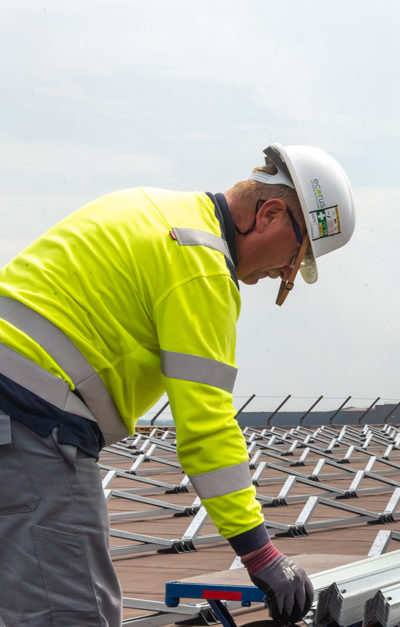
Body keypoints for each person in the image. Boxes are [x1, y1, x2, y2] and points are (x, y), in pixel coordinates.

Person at [0, 143, 355, 626]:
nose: (285, 273)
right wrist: (261, 555)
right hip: (32, 425)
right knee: (72, 612)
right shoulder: (202, 264)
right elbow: (206, 427)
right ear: (270, 214)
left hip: (16, 413)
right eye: (297, 254)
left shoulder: (150, 206)